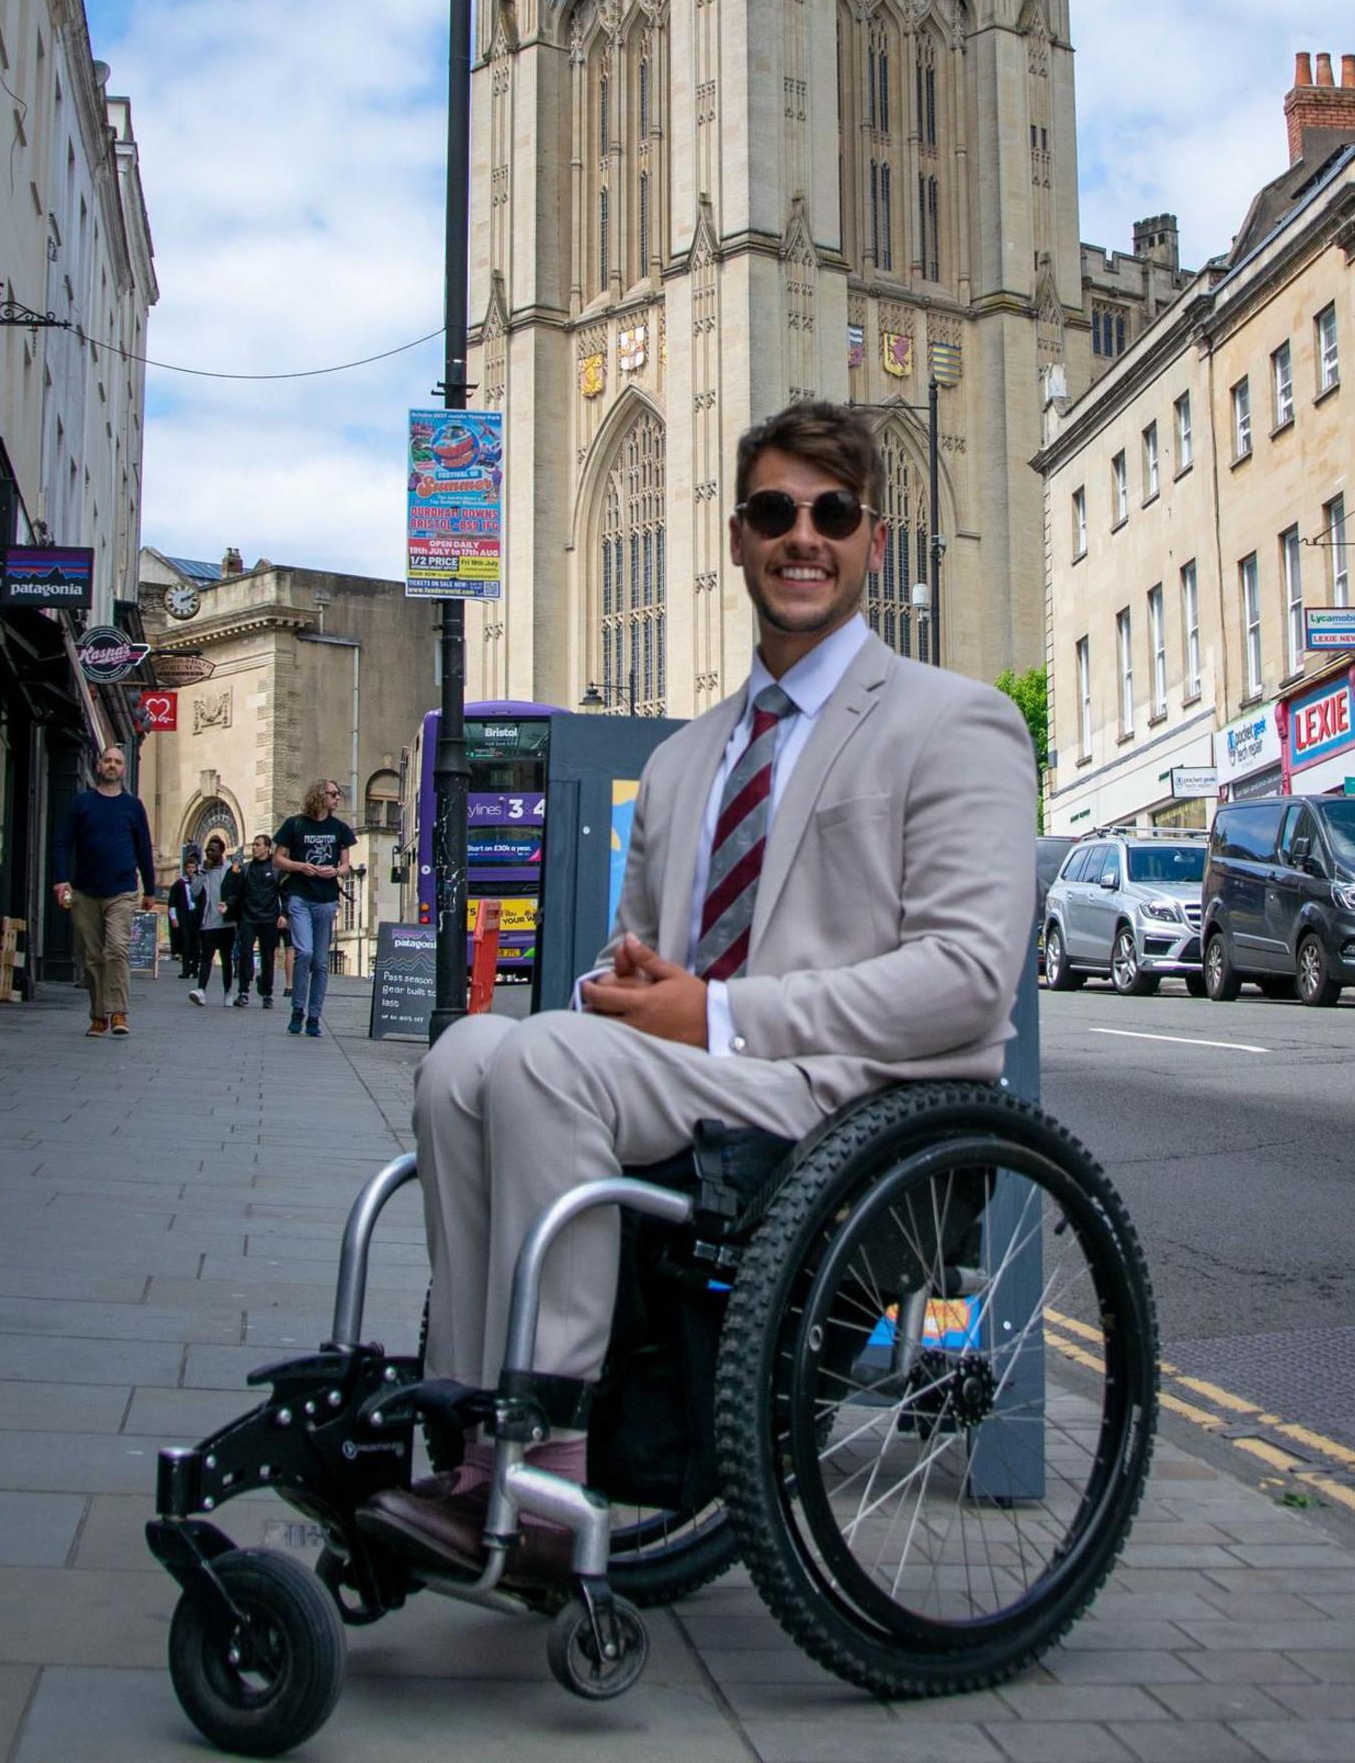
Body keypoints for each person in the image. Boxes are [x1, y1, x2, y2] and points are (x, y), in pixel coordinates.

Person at [367, 401, 1035, 1580]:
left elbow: (970, 981)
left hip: (852, 1101)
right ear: (735, 537)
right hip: (696, 1082)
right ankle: (476, 1438)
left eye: (832, 514)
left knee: (534, 1058)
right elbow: (644, 958)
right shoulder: (684, 759)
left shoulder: (954, 723)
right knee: (470, 1053)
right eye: (775, 512)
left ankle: (547, 1462)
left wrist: (718, 1013)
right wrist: (630, 989)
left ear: (873, 540)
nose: (803, 538)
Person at [49, 743, 157, 1037]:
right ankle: (98, 1015)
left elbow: (143, 847)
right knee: (92, 956)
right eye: (107, 760)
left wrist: (150, 889)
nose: (111, 765)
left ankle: (119, 1013)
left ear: (123, 770)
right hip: (84, 890)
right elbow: (62, 843)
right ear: (99, 766)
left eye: (117, 762)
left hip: (121, 890)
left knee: (117, 949)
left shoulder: (132, 806)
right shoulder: (82, 803)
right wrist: (61, 879)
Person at [272, 780, 359, 1037]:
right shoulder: (294, 825)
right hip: (300, 897)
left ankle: (314, 1016)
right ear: (320, 795)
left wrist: (335, 871)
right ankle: (297, 1009)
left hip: (326, 899)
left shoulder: (339, 829)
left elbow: (345, 865)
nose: (337, 799)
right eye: (333, 794)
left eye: (338, 795)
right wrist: (300, 866)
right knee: (305, 952)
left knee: (321, 962)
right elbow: (278, 859)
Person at [227, 834, 288, 1011]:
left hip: (269, 919)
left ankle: (267, 994)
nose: (254, 848)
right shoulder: (246, 869)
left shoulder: (276, 869)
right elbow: (237, 894)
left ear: (267, 848)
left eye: (258, 845)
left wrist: (284, 914)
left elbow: (285, 894)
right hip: (249, 918)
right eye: (253, 844)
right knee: (245, 954)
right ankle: (243, 992)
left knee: (268, 957)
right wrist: (228, 905)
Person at [175, 835, 235, 1005]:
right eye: (208, 849)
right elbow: (194, 891)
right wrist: (202, 872)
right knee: (206, 957)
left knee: (226, 957)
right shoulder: (202, 869)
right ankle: (201, 990)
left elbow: (235, 892)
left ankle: (228, 992)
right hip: (207, 921)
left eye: (213, 850)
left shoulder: (230, 869)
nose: (209, 852)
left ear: (221, 852)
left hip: (226, 922)